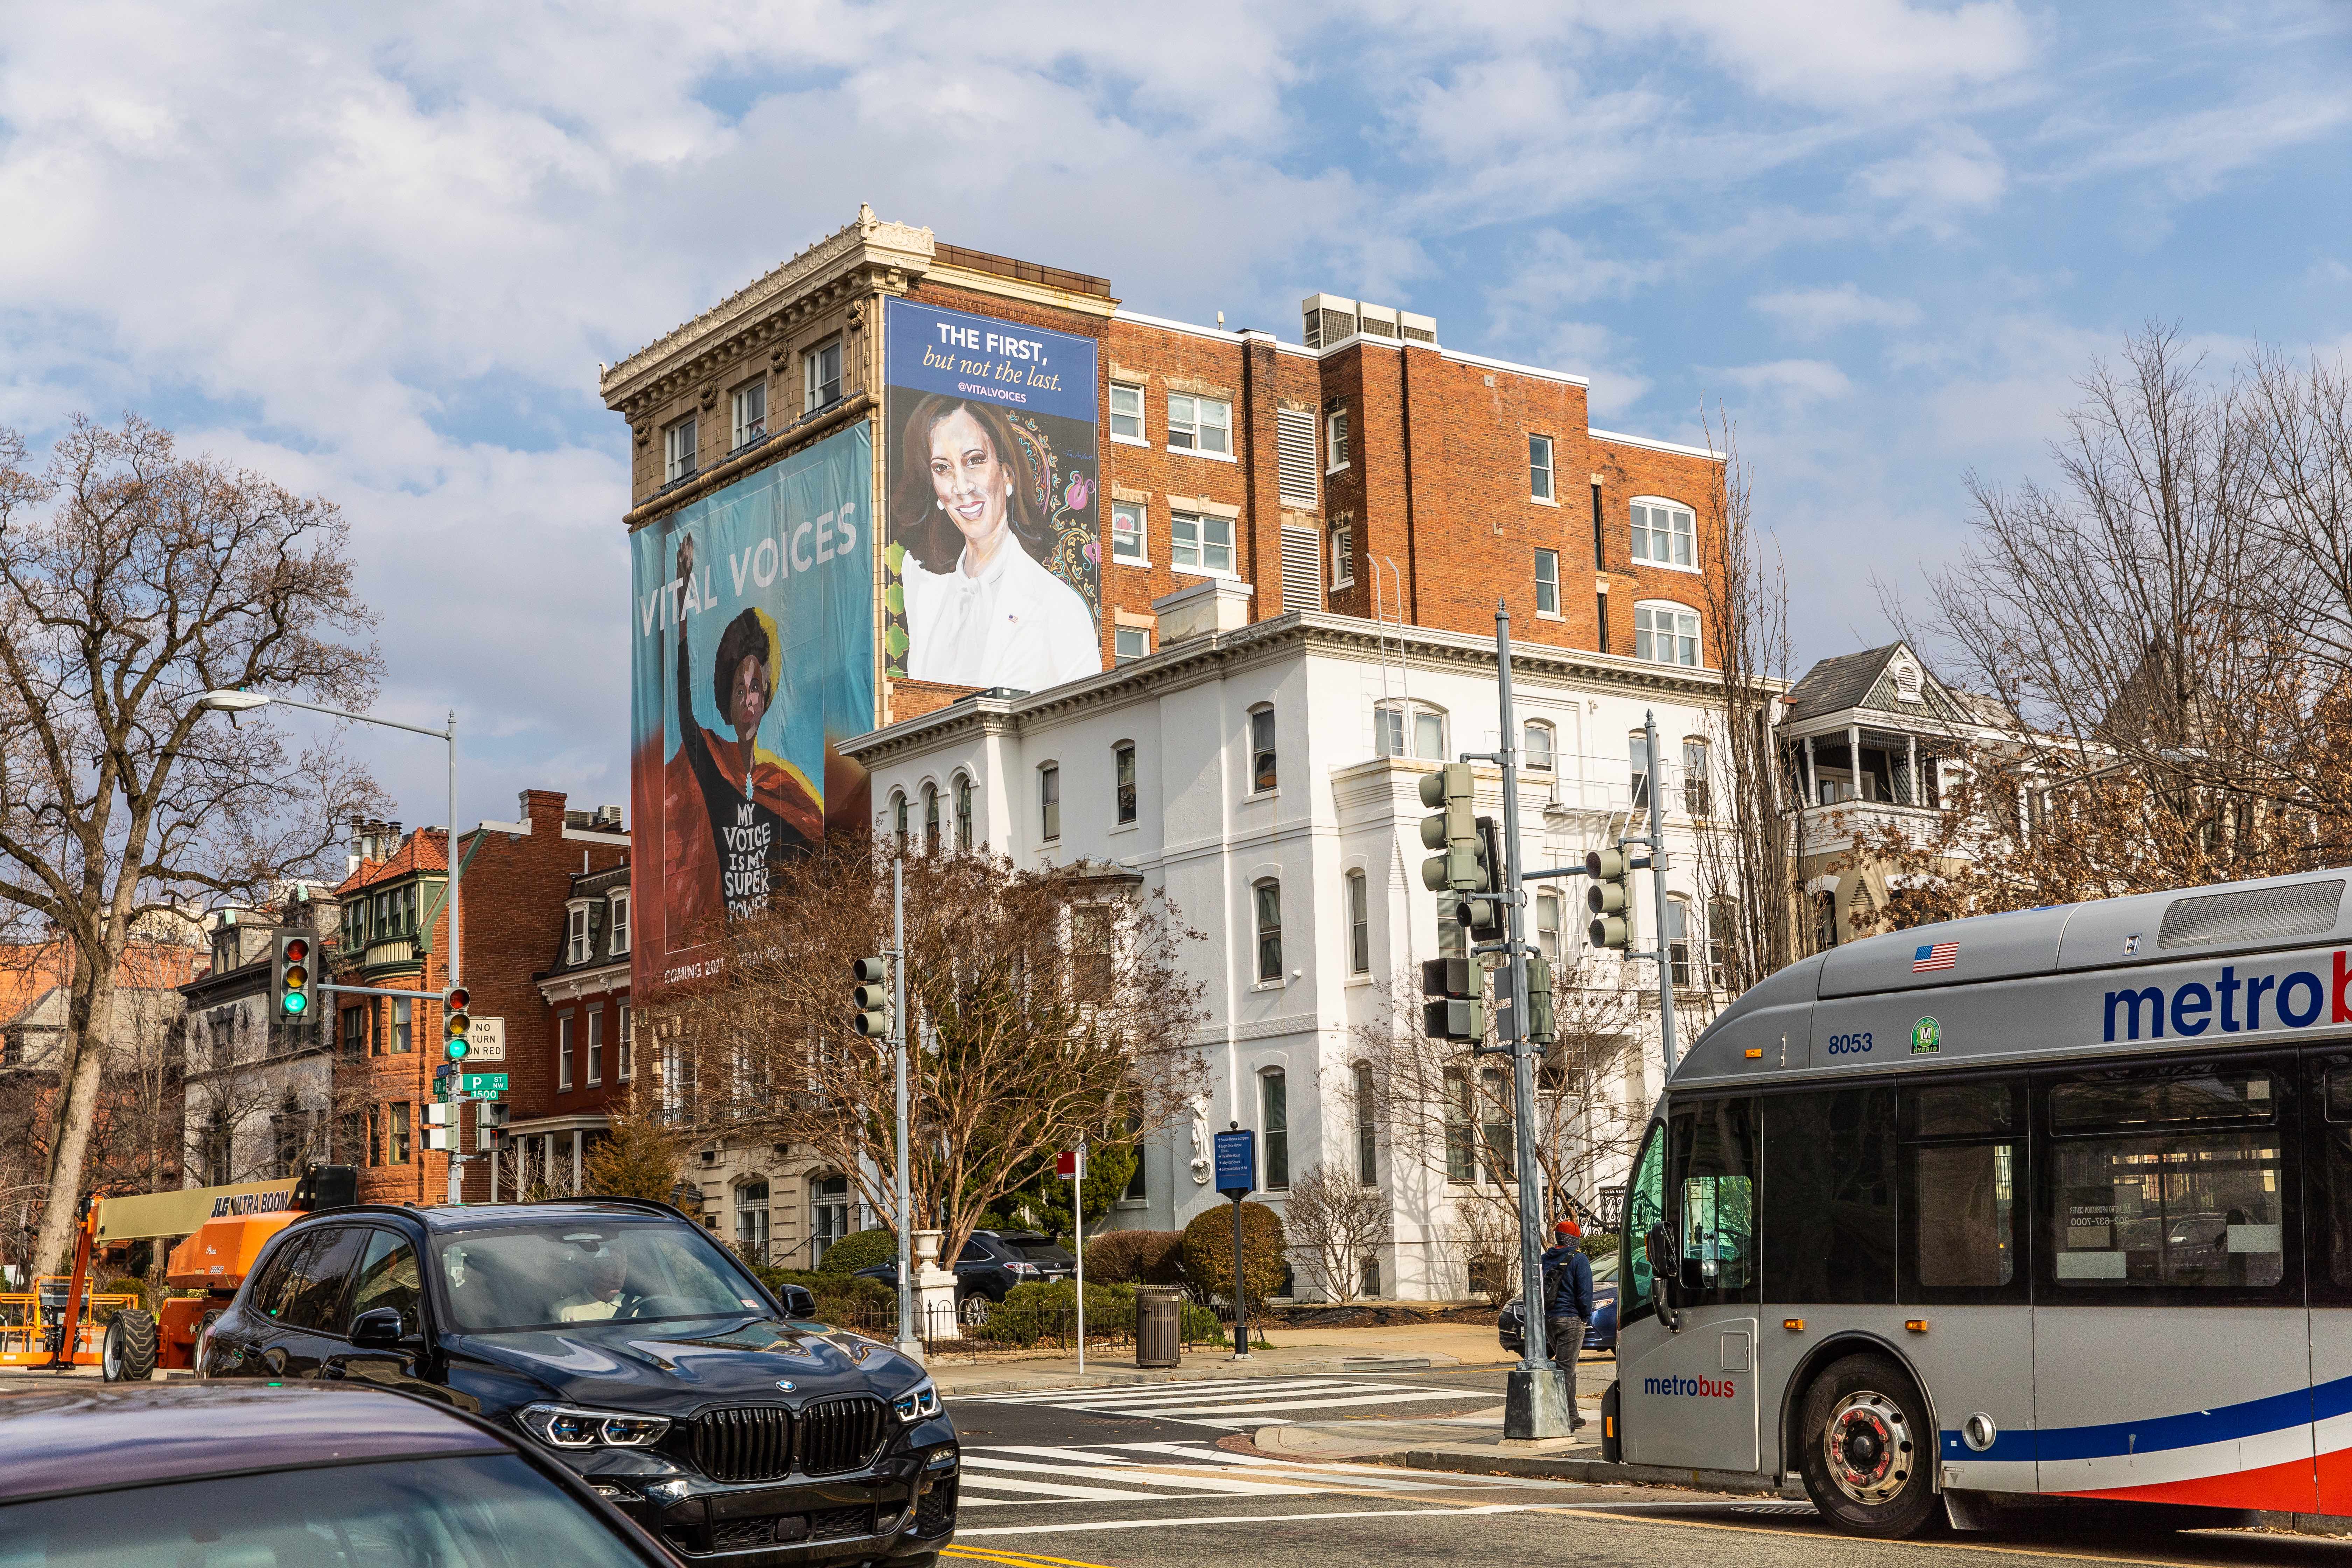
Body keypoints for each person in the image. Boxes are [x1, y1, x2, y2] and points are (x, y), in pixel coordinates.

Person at [663, 532, 824, 933]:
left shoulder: (784, 788)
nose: (749, 700)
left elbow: (822, 859)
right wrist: (682, 609)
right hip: (735, 959)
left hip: (788, 962)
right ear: (728, 703)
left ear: (767, 695)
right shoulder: (716, 771)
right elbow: (684, 713)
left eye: (755, 688)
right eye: (739, 690)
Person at [893, 396, 1100, 692]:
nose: (961, 487)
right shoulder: (922, 589)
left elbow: (1087, 722)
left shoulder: (1059, 606)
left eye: (975, 461)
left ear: (1007, 474)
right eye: (942, 468)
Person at [1540, 1219, 1596, 1430]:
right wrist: (1585, 1316)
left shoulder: (1546, 1259)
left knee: (1567, 1369)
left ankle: (1572, 1414)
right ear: (1575, 1238)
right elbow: (1585, 1292)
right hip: (1571, 1319)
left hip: (1550, 1319)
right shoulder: (1579, 1259)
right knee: (1565, 1369)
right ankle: (1562, 1416)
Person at [554, 1250, 631, 1323]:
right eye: (610, 1266)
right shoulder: (563, 1310)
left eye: (623, 1265)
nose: (619, 1274)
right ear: (592, 1269)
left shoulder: (639, 1305)